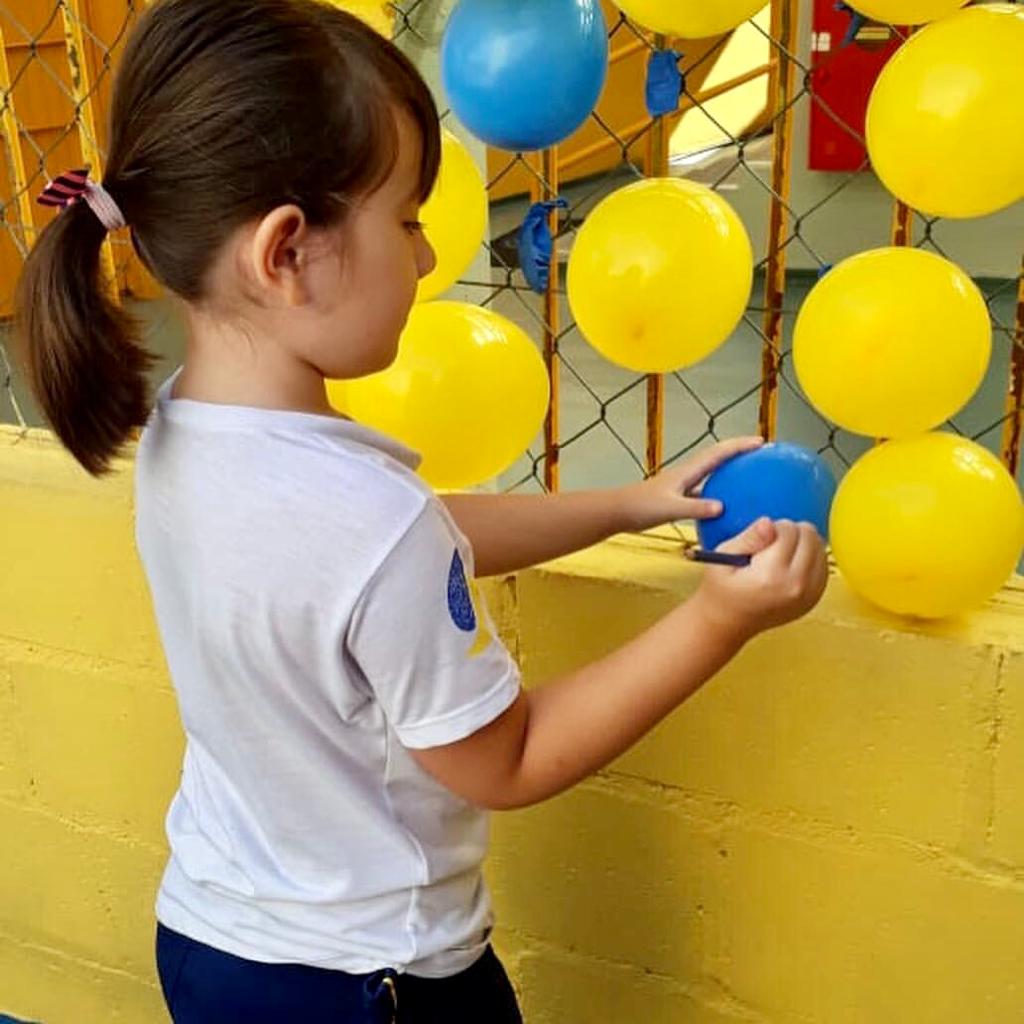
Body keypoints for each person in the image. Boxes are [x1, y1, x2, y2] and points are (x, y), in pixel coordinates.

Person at [14, 0, 828, 1019]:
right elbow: (509, 758)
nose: (430, 257)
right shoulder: (368, 523)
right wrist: (723, 618)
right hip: (370, 984)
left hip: (212, 941)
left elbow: (391, 550)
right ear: (286, 253)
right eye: (405, 221)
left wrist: (628, 505)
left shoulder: (190, 432)